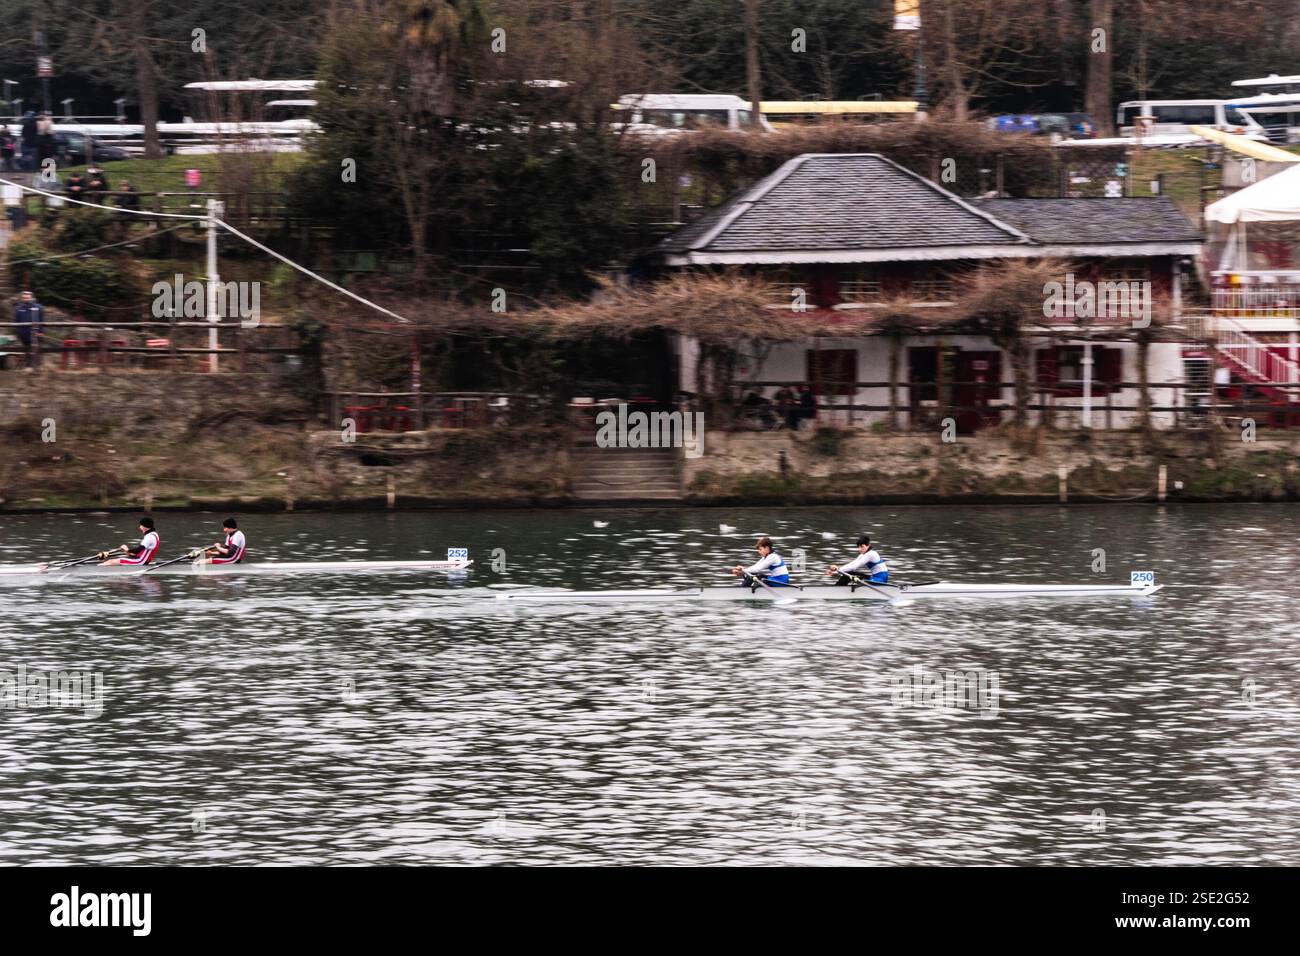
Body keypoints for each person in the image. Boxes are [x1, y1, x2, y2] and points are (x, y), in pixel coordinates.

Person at [13, 291, 44, 370]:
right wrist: (18, 332)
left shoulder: (38, 307)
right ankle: (28, 366)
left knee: (37, 349)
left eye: (27, 297)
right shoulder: (18, 308)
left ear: (31, 297)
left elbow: (42, 320)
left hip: (35, 333)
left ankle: (38, 366)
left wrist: (41, 332)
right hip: (24, 334)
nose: (26, 299)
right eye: (24, 298)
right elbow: (16, 321)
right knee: (26, 350)